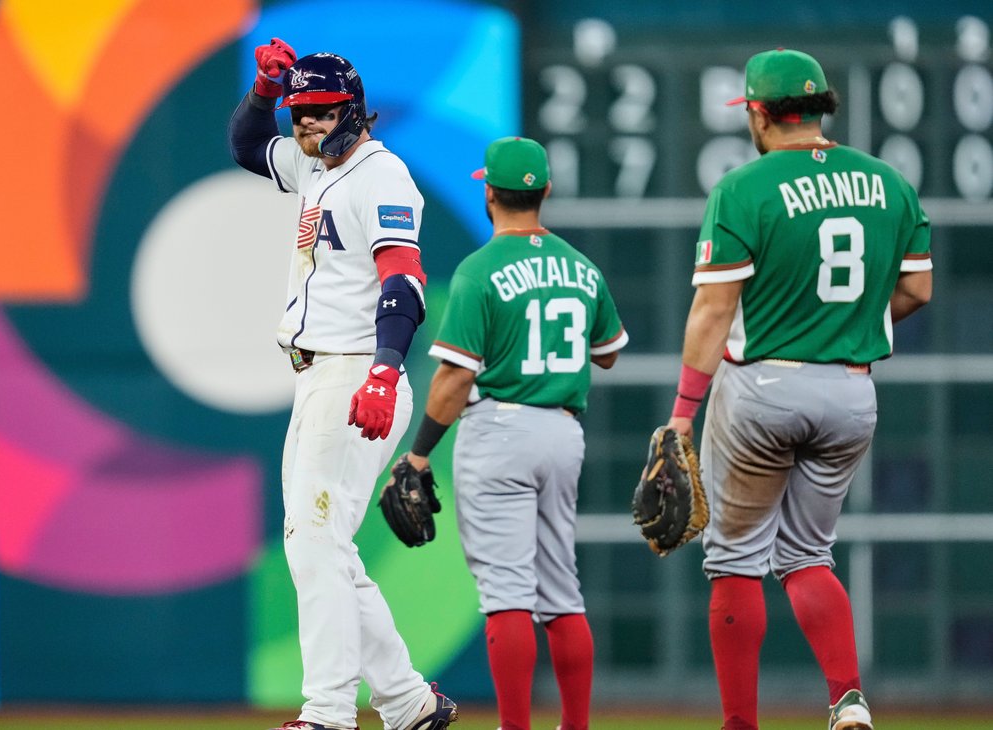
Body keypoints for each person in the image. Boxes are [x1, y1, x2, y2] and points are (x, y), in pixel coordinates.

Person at [663, 48, 932, 730]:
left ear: (758, 110)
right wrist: (850, 322)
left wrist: (683, 414)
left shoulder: (744, 188)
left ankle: (739, 724)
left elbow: (713, 312)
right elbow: (918, 290)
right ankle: (848, 700)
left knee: (734, 560)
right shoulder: (888, 183)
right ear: (821, 108)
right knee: (809, 555)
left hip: (764, 389)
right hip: (850, 393)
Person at [227, 38, 459, 730]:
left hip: (358, 369)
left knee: (314, 540)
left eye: (321, 113)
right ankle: (408, 702)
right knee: (324, 545)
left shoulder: (379, 176)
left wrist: (386, 372)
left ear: (353, 111)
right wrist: (265, 91)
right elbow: (245, 146)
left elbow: (405, 283)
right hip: (319, 375)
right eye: (300, 115)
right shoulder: (316, 165)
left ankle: (328, 713)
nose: (307, 127)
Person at [394, 136, 628, 730]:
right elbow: (607, 354)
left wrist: (418, 456)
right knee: (561, 593)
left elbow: (452, 378)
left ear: (489, 194)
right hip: (563, 432)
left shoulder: (480, 270)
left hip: (499, 429)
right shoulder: (580, 265)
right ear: (544, 191)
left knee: (506, 594)